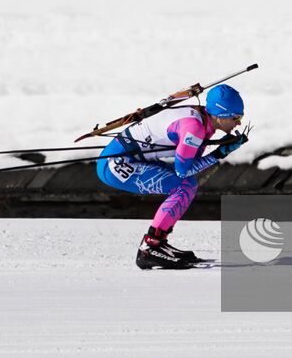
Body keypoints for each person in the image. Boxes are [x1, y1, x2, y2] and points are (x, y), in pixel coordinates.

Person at [95, 84, 248, 269]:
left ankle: (158, 244)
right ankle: (150, 248)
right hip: (115, 166)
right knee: (183, 186)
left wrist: (219, 149)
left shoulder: (200, 118)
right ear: (220, 115)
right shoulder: (194, 128)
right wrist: (219, 154)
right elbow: (184, 170)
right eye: (236, 117)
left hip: (124, 159)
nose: (239, 123)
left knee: (186, 185)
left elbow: (189, 161)